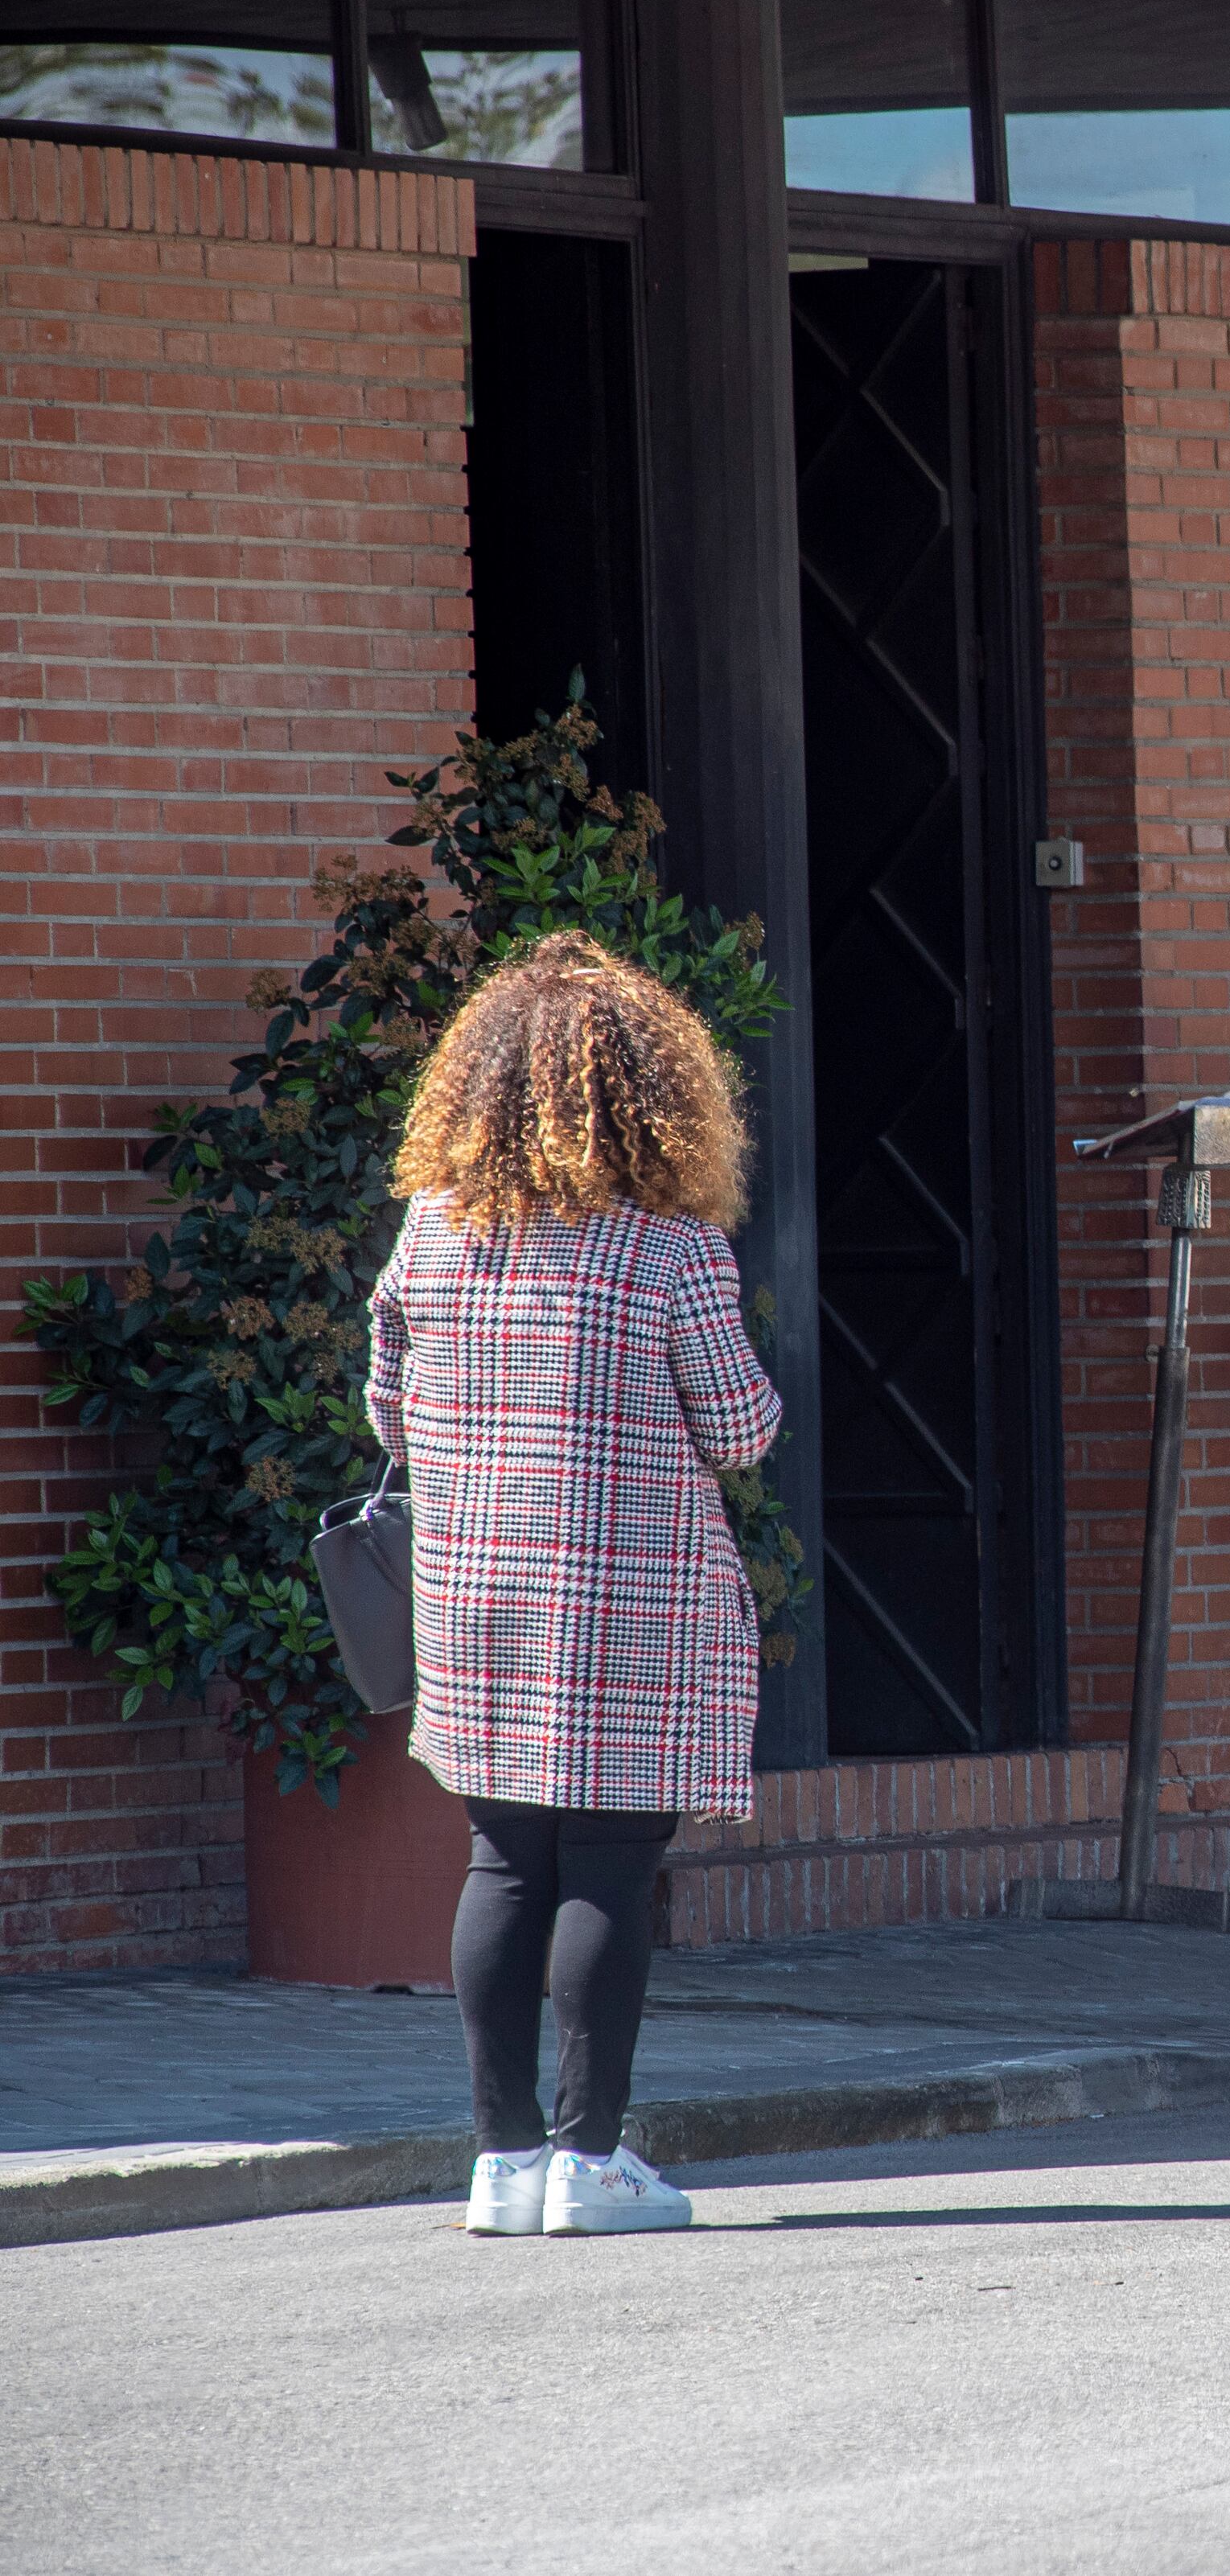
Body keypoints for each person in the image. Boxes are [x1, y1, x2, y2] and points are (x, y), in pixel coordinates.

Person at [367, 932, 781, 2240]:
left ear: (479, 1084)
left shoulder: (431, 1232)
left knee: (504, 1858)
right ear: (652, 1096)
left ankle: (500, 2165)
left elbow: (387, 1406)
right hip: (629, 1597)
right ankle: (590, 2163)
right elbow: (742, 1428)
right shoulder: (667, 1251)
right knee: (610, 1861)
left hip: (477, 1585)